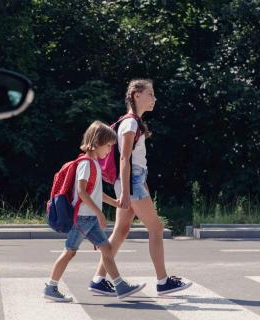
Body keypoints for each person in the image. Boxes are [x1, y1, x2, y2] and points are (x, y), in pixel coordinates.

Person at [89, 79, 192, 296]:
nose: (154, 99)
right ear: (137, 95)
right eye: (150, 94)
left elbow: (135, 162)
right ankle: (163, 281)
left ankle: (98, 280)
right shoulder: (131, 123)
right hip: (130, 182)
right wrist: (127, 192)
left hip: (133, 181)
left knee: (121, 230)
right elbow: (124, 159)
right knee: (156, 228)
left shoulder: (133, 123)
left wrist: (138, 186)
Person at [43, 121, 145, 302]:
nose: (109, 151)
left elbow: (95, 192)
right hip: (82, 218)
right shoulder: (86, 164)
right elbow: (82, 191)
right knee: (70, 251)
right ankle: (51, 287)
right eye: (108, 146)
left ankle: (120, 286)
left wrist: (114, 202)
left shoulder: (94, 164)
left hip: (88, 218)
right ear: (97, 143)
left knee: (106, 248)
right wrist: (99, 213)